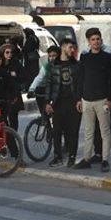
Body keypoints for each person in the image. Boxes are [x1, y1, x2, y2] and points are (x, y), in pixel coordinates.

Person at [74, 28, 111, 173]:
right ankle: (86, 159)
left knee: (105, 131)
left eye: (98, 39)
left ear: (101, 40)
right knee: (88, 131)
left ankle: (105, 160)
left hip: (102, 100)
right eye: (93, 39)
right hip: (86, 100)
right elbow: (81, 79)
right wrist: (79, 98)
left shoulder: (107, 57)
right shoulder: (84, 57)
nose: (96, 42)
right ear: (88, 42)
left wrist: (110, 100)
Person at [40, 39, 81, 167]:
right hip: (58, 102)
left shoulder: (77, 65)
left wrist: (80, 100)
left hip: (73, 102)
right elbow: (49, 84)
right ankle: (57, 156)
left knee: (72, 131)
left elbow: (80, 84)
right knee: (57, 131)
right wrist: (47, 102)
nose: (72, 50)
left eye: (73, 48)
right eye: (70, 47)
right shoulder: (53, 65)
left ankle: (72, 156)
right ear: (63, 48)